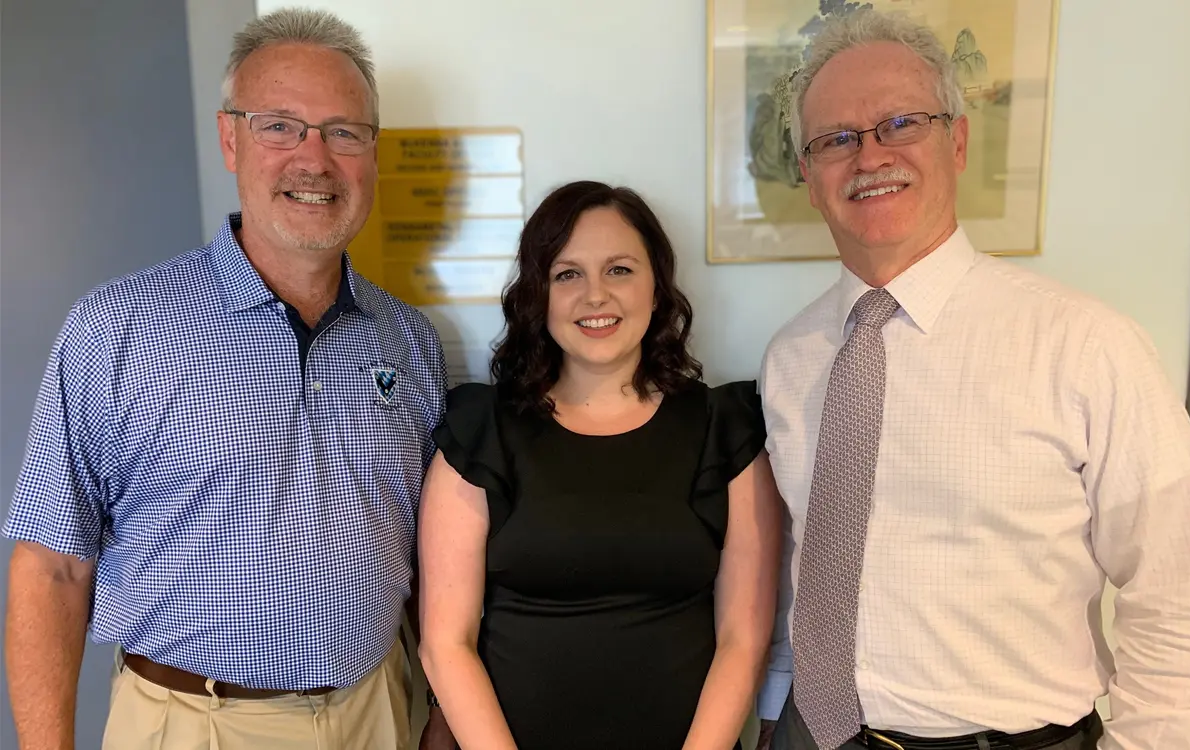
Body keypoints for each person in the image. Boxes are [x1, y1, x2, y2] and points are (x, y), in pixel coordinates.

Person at [3, 8, 456, 750]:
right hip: (193, 726)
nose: (314, 159)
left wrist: (438, 710)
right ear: (230, 139)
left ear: (372, 155)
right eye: (280, 125)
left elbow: (429, 556)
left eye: (344, 132)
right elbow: (51, 566)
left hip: (379, 713)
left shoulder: (406, 340)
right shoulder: (118, 327)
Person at [756, 9, 1190, 750]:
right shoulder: (790, 358)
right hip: (814, 734)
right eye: (836, 139)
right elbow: (803, 570)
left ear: (956, 141)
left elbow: (1181, 588)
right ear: (808, 173)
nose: (868, 157)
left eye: (900, 123)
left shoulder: (1086, 346)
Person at [416, 180, 783, 750]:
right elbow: (446, 642)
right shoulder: (481, 430)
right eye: (567, 274)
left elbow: (743, 639)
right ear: (539, 295)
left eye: (619, 269)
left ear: (657, 287)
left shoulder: (723, 428)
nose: (595, 296)